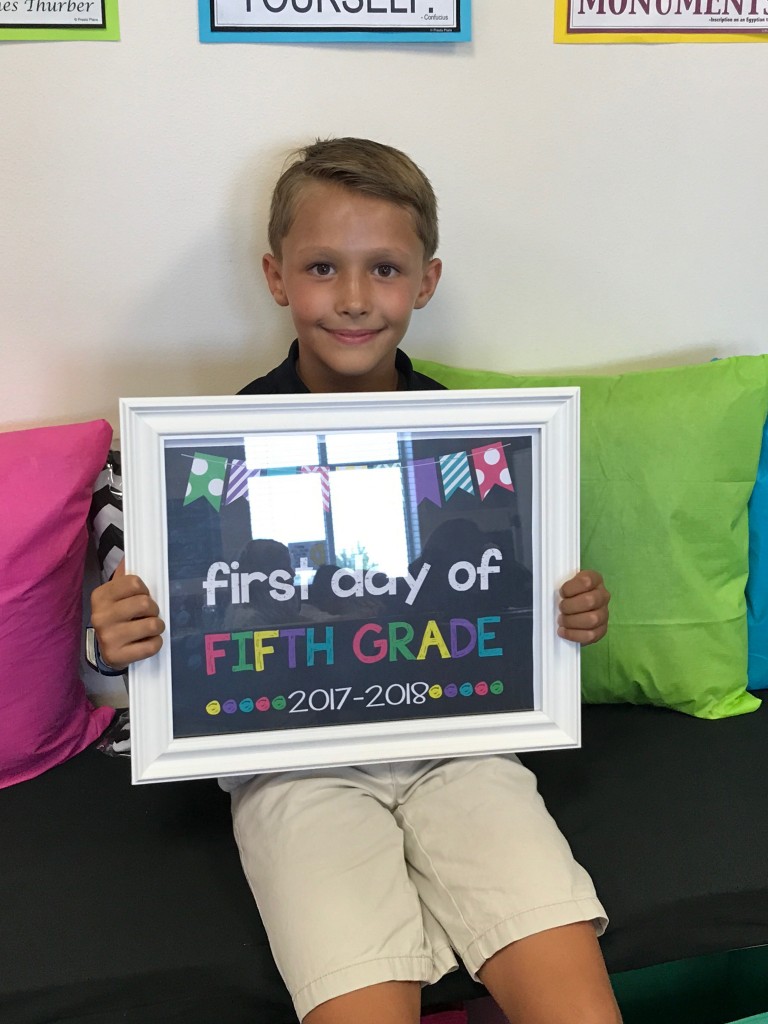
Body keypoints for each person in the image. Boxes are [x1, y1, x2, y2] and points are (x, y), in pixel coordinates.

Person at [90, 138, 619, 1024]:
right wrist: (118, 645)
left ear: (426, 281)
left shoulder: (476, 437)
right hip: (290, 764)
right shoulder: (209, 451)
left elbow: (509, 598)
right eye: (322, 267)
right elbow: (142, 660)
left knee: (573, 994)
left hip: (460, 746)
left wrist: (567, 615)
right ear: (276, 277)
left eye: (384, 268)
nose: (353, 298)